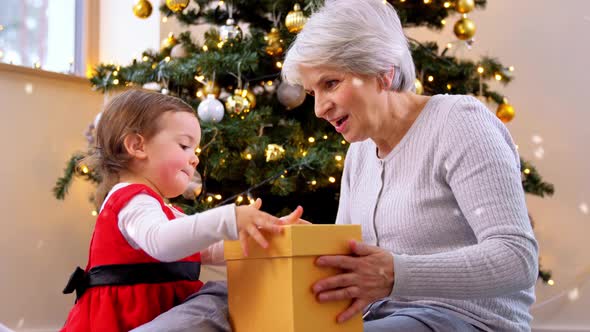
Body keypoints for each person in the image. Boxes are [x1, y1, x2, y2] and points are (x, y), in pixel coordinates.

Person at [281, 0, 538, 331]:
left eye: (331, 83)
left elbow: (517, 258)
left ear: (383, 73)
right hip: (379, 320)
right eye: (312, 91)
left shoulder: (459, 123)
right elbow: (359, 262)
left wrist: (395, 273)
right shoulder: (359, 153)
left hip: (470, 320)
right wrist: (311, 246)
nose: (319, 109)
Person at [61, 89, 302, 332]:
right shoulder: (130, 199)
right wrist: (230, 218)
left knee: (225, 294)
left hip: (162, 314)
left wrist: (271, 232)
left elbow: (209, 250)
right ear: (137, 145)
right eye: (185, 145)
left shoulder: (163, 209)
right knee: (218, 296)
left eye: (195, 150)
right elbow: (161, 241)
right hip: (123, 321)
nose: (195, 159)